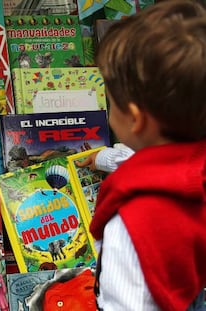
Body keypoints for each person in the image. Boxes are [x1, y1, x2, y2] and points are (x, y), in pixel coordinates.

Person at [88, 1, 206, 310]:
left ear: (136, 119)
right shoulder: (193, 171)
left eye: (110, 101)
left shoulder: (133, 220)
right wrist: (103, 159)